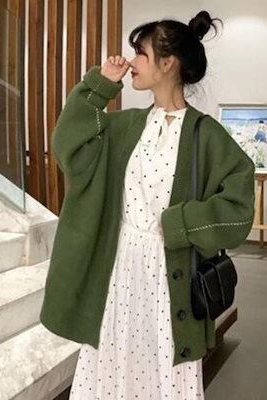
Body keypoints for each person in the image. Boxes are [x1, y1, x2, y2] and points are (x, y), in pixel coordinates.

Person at [39, 10, 255, 400]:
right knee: (112, 364)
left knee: (163, 369)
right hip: (118, 273)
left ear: (168, 63)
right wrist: (100, 85)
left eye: (141, 53)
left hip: (168, 279)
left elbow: (238, 209)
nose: (132, 61)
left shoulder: (206, 135)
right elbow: (68, 144)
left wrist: (180, 224)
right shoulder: (124, 127)